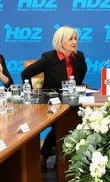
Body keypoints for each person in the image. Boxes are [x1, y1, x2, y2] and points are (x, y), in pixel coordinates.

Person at [21, 26, 87, 171]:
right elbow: (25, 74)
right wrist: (33, 93)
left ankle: (59, 158)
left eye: (76, 38)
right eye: (70, 39)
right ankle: (48, 156)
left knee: (74, 120)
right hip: (50, 101)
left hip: (71, 100)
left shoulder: (79, 57)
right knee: (61, 122)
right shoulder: (49, 58)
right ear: (60, 41)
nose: (74, 42)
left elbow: (82, 72)